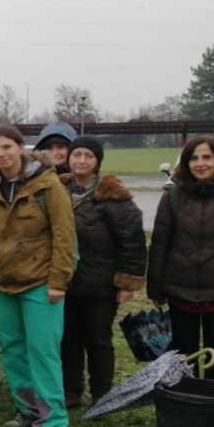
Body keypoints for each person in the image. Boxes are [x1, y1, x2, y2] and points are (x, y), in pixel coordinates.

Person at [0, 125, 77, 427]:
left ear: (20, 148)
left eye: (6, 148)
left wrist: (59, 281)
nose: (1, 154)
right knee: (12, 349)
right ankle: (26, 409)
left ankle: (53, 421)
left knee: (43, 351)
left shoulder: (48, 185)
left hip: (40, 282)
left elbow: (65, 236)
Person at [148, 135, 214, 383]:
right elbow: (160, 244)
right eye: (193, 158)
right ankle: (185, 406)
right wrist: (155, 287)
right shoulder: (172, 197)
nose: (200, 163)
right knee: (182, 360)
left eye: (206, 157)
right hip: (180, 292)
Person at [59, 136, 147, 406]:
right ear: (69, 158)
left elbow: (132, 241)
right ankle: (71, 390)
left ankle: (102, 393)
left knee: (98, 340)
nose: (81, 160)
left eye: (88, 155)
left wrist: (126, 283)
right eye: (77, 155)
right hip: (64, 281)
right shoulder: (57, 189)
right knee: (67, 339)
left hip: (100, 284)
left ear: (97, 162)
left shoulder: (113, 197)